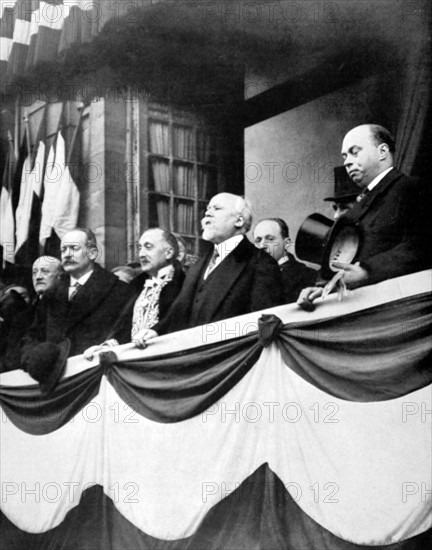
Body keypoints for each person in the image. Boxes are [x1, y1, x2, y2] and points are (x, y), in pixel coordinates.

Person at [298, 124, 432, 305]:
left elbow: (422, 247)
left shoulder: (411, 188)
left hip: (398, 308)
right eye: (344, 156)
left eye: (354, 152)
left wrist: (368, 271)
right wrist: (326, 288)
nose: (346, 161)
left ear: (382, 151)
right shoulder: (355, 209)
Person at [132, 193, 283, 347]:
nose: (207, 213)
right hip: (194, 359)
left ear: (239, 221)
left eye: (217, 209)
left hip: (229, 359)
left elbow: (263, 325)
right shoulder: (198, 265)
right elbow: (179, 310)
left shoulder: (260, 262)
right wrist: (156, 331)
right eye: (207, 209)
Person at [22, 228, 133, 358]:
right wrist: (33, 360)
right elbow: (32, 336)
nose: (67, 254)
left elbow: (123, 335)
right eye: (63, 249)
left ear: (92, 253)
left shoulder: (119, 291)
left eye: (74, 248)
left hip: (93, 370)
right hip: (53, 374)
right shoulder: (51, 295)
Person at [84, 228, 185, 359]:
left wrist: (156, 331)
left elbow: (178, 323)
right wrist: (108, 345)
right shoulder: (136, 286)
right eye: (140, 248)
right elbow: (125, 328)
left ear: (169, 252)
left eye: (148, 247)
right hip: (132, 361)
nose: (141, 254)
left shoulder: (184, 284)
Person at [1, 257, 63, 372]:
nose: (38, 277)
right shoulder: (22, 317)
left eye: (45, 271)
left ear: (60, 277)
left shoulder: (66, 306)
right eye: (34, 272)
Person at [253, 218, 317, 303]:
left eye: (270, 239)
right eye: (258, 240)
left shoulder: (308, 275)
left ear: (286, 243)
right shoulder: (250, 277)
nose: (262, 245)